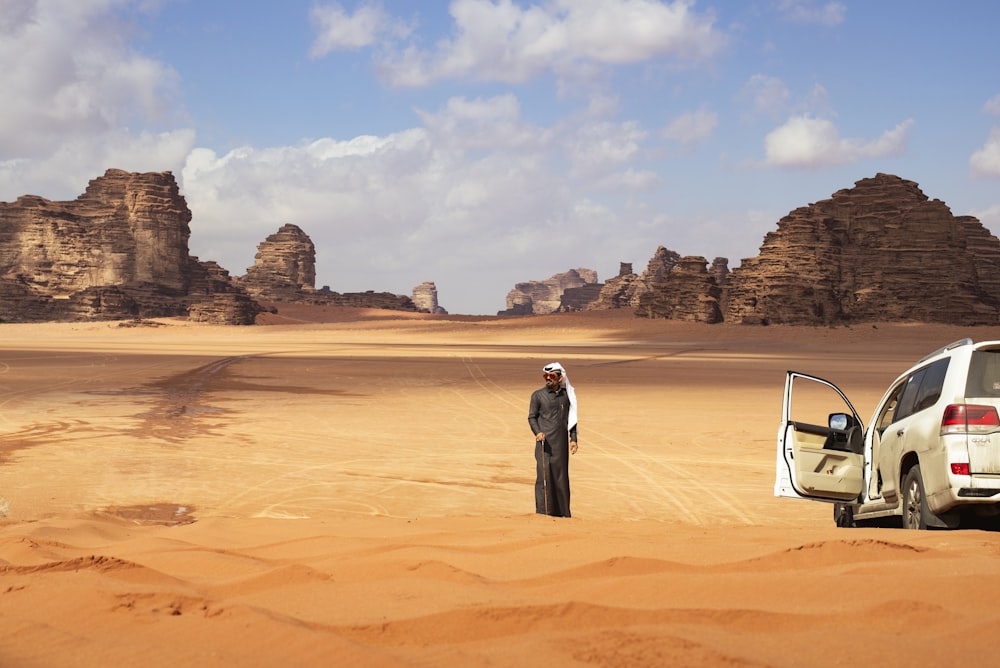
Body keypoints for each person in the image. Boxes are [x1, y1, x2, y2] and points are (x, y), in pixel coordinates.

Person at [528, 362, 578, 517]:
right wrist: (538, 432)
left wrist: (574, 439)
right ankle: (544, 513)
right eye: (546, 376)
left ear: (560, 378)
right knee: (544, 478)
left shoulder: (566, 397)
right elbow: (532, 417)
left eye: (551, 376)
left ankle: (563, 513)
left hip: (561, 445)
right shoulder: (538, 395)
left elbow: (572, 419)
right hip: (544, 445)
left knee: (561, 479)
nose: (548, 379)